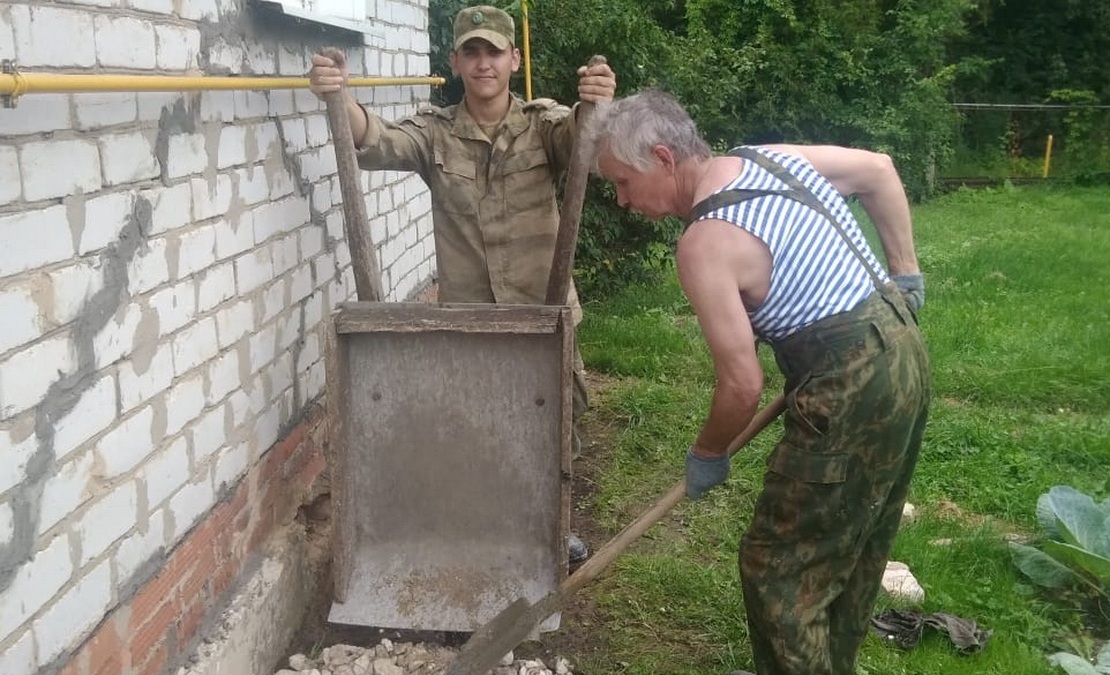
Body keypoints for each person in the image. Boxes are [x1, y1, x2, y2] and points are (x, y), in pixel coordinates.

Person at [588, 89, 931, 675]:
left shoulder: (706, 243)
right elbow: (879, 170)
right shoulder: (767, 157)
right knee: (852, 547)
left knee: (778, 568)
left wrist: (708, 451)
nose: (621, 200)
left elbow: (742, 386)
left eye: (622, 181)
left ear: (664, 159)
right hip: (902, 352)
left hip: (849, 386)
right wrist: (905, 274)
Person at [308, 5, 617, 569]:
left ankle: (551, 525)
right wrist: (340, 96)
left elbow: (583, 142)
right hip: (473, 320)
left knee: (555, 423)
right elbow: (375, 139)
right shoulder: (435, 133)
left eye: (493, 51)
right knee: (480, 425)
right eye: (472, 52)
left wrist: (595, 103)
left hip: (543, 313)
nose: (483, 63)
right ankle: (489, 530)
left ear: (513, 59)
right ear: (455, 62)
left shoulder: (543, 125)